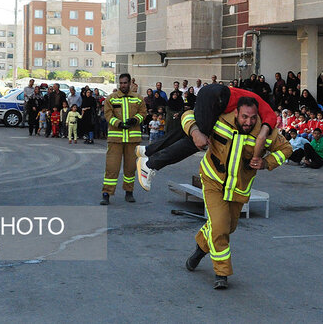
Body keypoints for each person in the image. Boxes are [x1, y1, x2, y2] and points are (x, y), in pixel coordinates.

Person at [182, 96, 292, 289]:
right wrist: (195, 132)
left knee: (228, 227)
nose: (248, 122)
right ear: (236, 113)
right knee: (219, 226)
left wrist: (267, 163)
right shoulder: (219, 119)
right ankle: (221, 274)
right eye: (244, 117)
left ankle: (200, 249)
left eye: (252, 117)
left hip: (238, 189)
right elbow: (187, 115)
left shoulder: (265, 132)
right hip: (212, 181)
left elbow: (286, 149)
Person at [136, 84, 277, 191]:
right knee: (197, 140)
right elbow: (261, 138)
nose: (249, 122)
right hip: (218, 97)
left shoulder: (256, 102)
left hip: (213, 93)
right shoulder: (270, 116)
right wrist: (256, 159)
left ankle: (147, 151)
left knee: (186, 130)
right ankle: (150, 165)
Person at [101, 73, 147, 205]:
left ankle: (129, 192)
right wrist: (119, 123)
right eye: (121, 83)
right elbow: (108, 115)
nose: (123, 85)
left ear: (130, 83)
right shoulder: (111, 98)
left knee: (130, 168)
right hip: (115, 139)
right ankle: (106, 194)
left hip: (132, 140)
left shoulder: (138, 98)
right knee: (111, 167)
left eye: (125, 83)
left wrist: (135, 120)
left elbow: (143, 113)